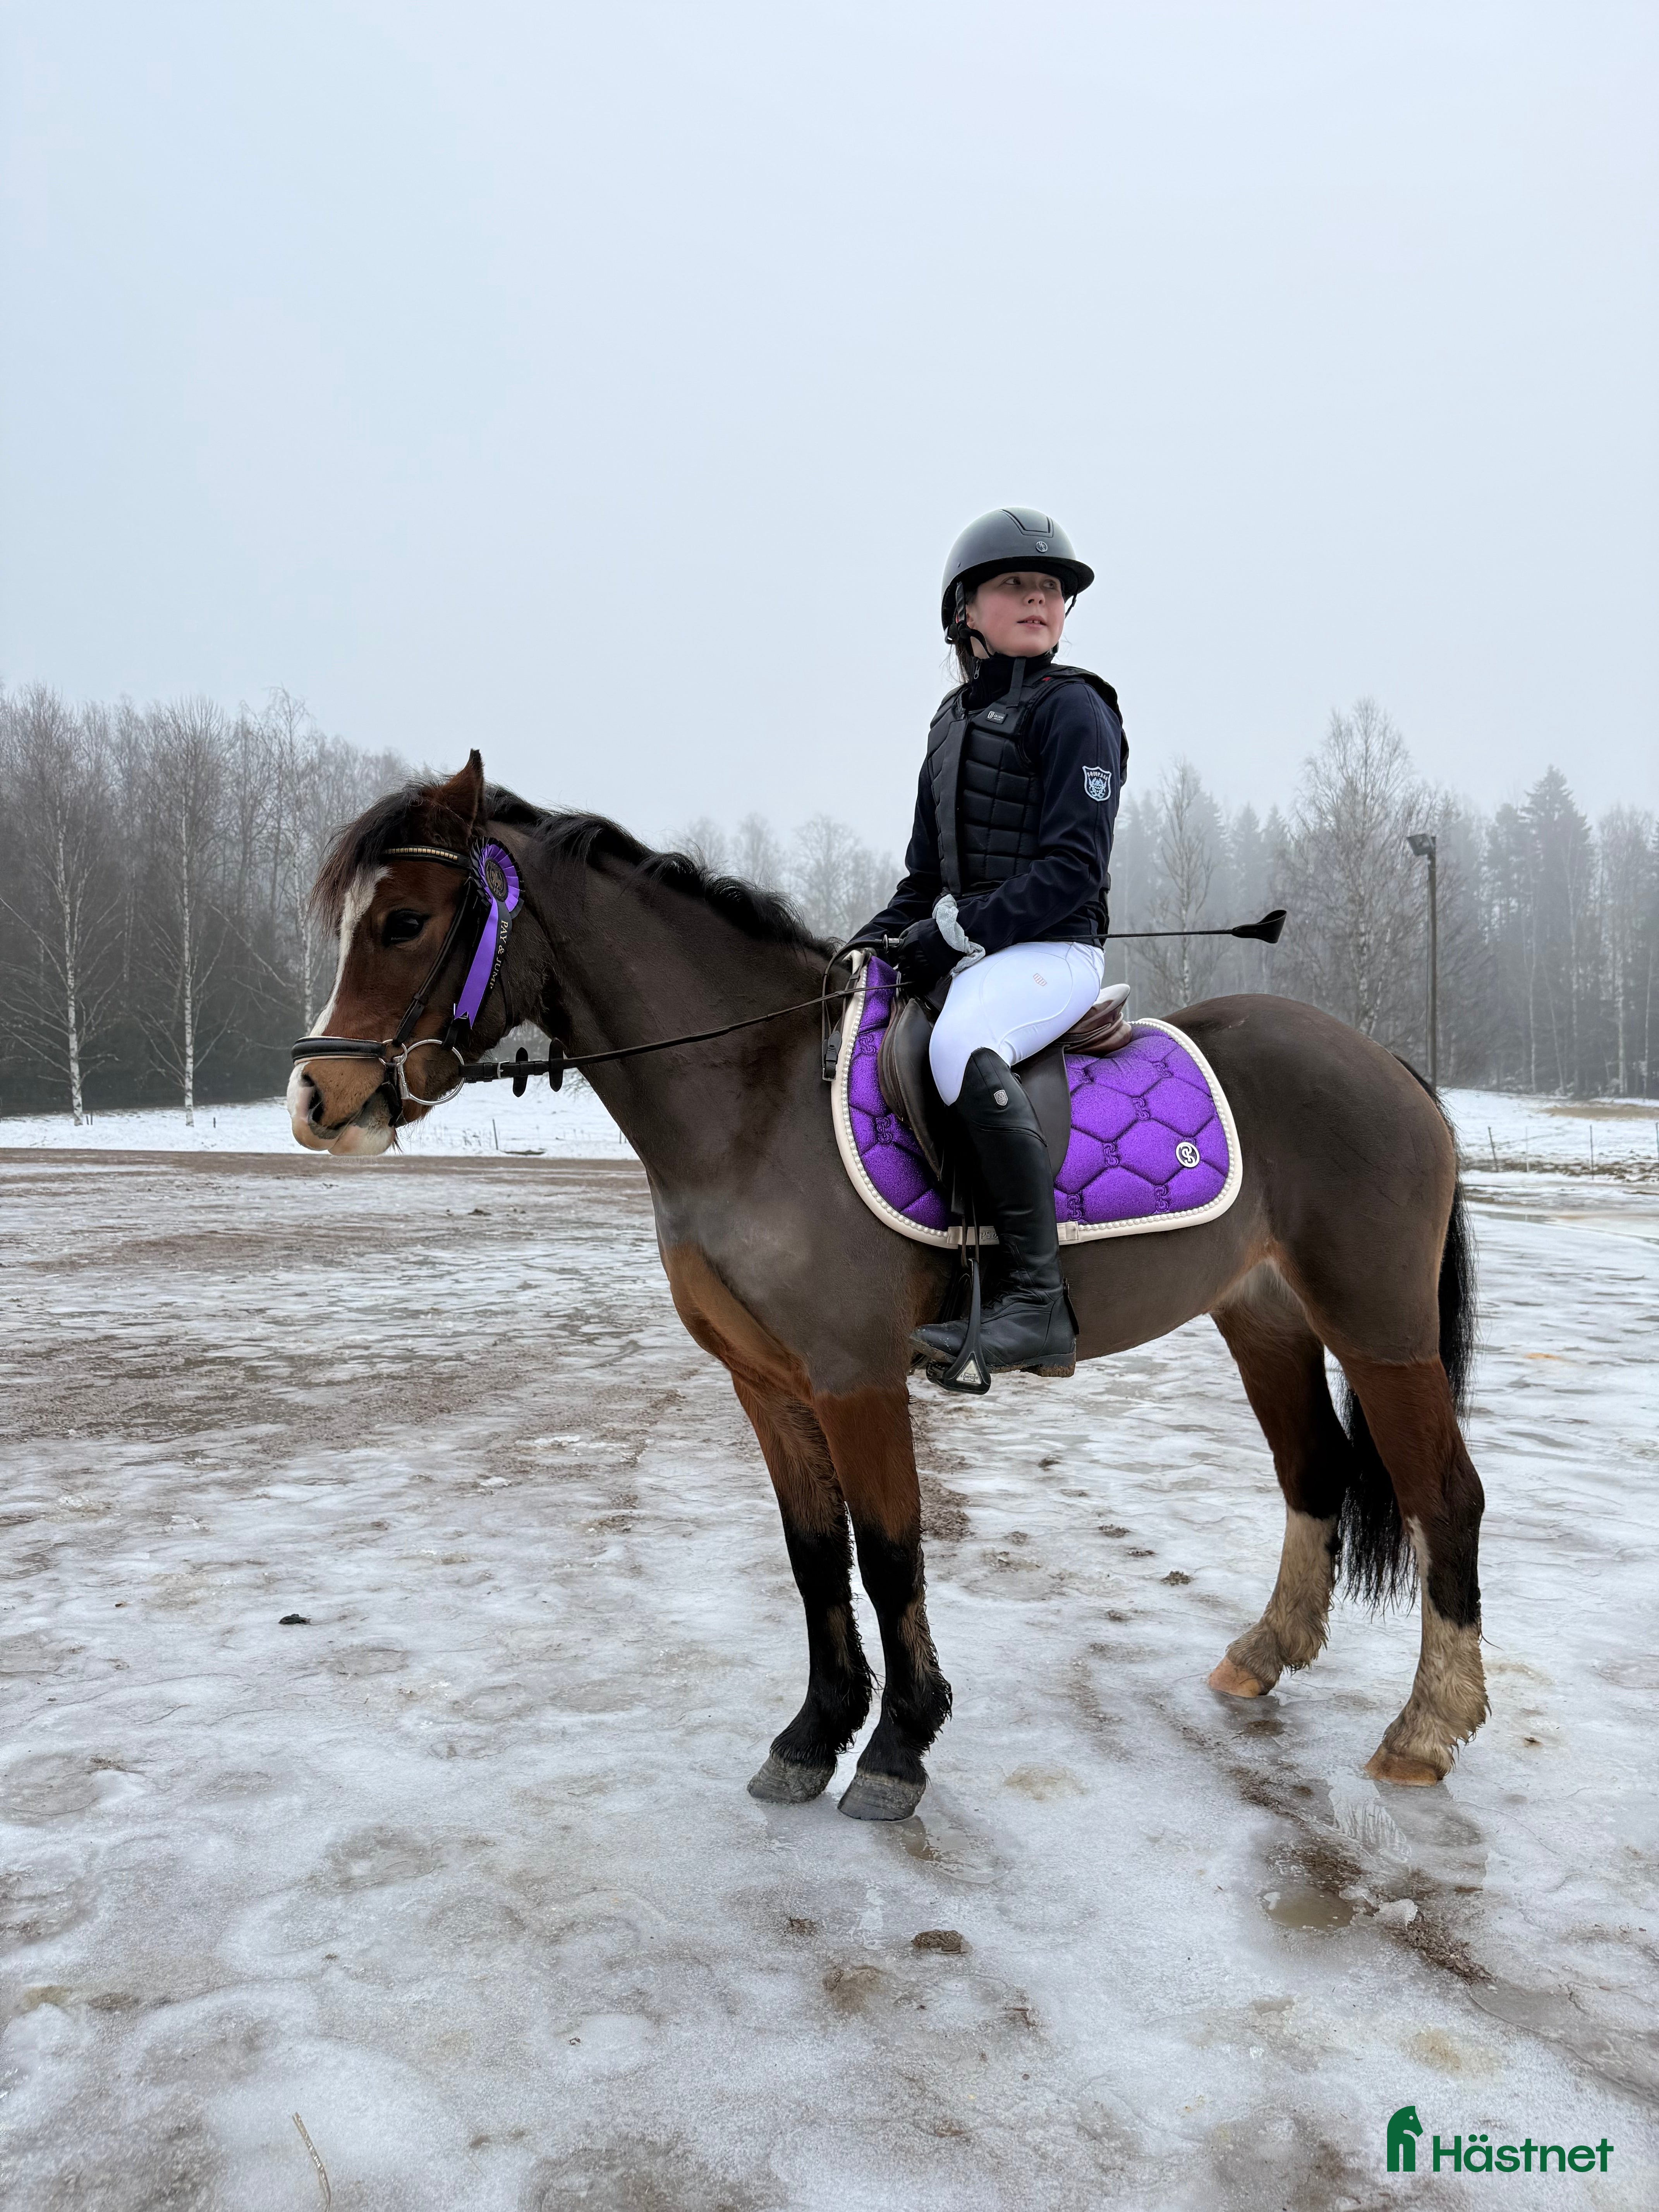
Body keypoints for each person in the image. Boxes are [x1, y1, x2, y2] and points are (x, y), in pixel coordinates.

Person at [853, 507, 1126, 1379]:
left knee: (964, 1039)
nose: (1040, 597)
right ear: (965, 609)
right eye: (1016, 583)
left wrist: (954, 935)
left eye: (1051, 588)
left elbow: (1073, 870)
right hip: (975, 947)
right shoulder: (948, 725)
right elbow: (921, 880)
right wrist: (870, 943)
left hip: (1054, 951)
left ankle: (1037, 1305)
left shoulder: (1075, 709)